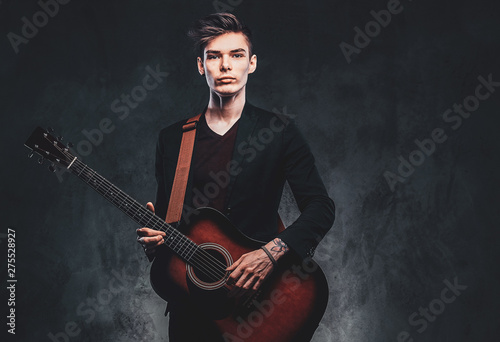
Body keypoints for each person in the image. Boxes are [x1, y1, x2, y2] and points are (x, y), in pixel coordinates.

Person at [136, 12, 335, 341]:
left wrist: (269, 253)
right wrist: (157, 245)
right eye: (214, 56)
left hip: (261, 304)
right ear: (201, 66)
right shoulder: (172, 139)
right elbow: (172, 227)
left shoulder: (279, 132)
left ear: (251, 63)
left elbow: (320, 207)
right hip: (192, 308)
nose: (225, 65)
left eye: (236, 55)